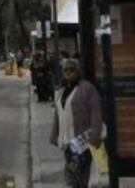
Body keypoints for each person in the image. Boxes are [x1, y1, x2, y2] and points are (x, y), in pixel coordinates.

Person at [50, 59, 103, 188]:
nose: (68, 72)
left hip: (82, 139)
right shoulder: (62, 91)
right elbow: (58, 115)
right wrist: (55, 135)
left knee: (76, 177)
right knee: (74, 177)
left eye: (71, 69)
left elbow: (96, 112)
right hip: (67, 141)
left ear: (78, 71)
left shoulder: (87, 89)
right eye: (65, 70)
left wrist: (95, 134)